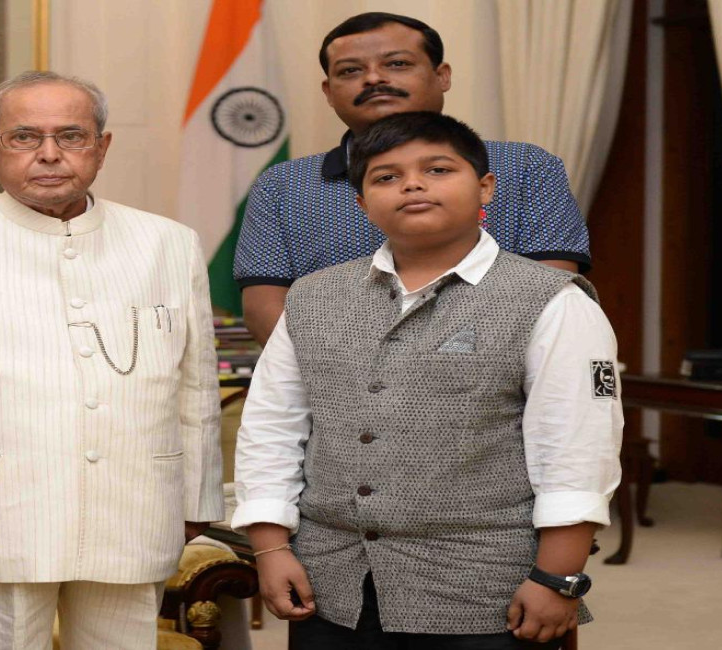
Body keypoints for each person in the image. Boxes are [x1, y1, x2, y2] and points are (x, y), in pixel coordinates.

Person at [0, 71, 224, 650]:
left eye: (71, 136)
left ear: (102, 147)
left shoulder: (168, 244)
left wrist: (198, 496)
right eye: (25, 137)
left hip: (133, 506)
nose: (49, 154)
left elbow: (195, 384)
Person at [231, 112, 622, 649]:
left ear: (485, 188)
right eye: (386, 177)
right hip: (331, 582)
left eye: (438, 169)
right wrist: (271, 549)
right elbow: (271, 428)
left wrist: (558, 577)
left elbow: (578, 449)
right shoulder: (311, 297)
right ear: (362, 204)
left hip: (485, 586)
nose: (412, 184)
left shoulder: (551, 301)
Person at [234, 12, 591, 345]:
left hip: (491, 378)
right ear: (328, 92)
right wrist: (347, 369)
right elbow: (265, 306)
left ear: (442, 76)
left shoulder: (525, 166)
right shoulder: (282, 185)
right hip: (333, 382)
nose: (373, 78)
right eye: (350, 71)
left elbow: (548, 291)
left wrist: (447, 363)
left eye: (397, 64)